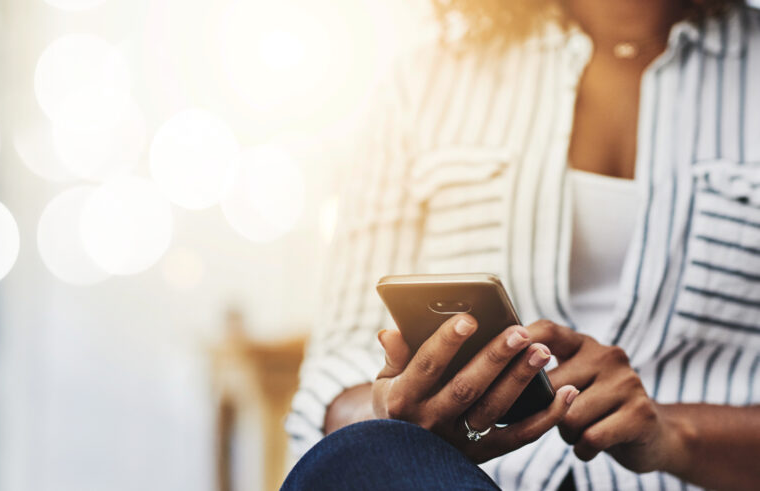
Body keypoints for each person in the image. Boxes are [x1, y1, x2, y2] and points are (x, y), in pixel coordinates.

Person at [284, 0, 760, 489]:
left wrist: (676, 433)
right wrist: (394, 414)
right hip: (460, 479)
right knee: (358, 457)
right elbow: (333, 376)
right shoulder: (425, 82)